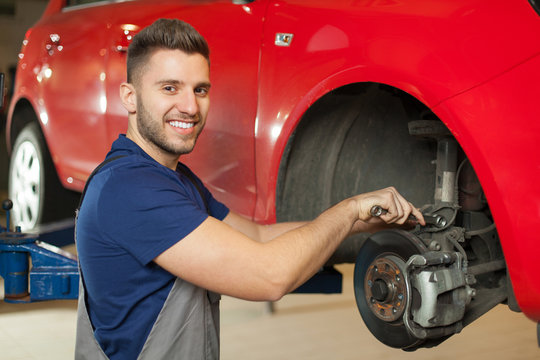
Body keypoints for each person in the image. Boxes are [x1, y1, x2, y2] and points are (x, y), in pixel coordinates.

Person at [75, 18, 425, 360]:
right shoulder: (129, 188)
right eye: (170, 88)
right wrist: (349, 209)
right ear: (130, 97)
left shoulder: (175, 180)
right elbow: (269, 275)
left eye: (200, 90)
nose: (190, 107)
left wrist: (366, 220)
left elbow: (259, 236)